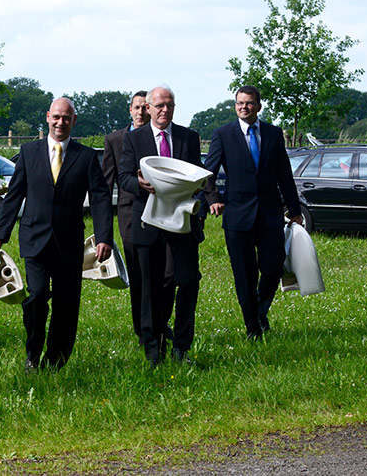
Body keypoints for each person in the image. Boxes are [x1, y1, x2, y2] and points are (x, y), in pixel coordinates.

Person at [0, 97, 113, 371]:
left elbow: (101, 198)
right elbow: (14, 195)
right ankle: (33, 354)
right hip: (34, 239)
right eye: (56, 117)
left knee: (66, 302)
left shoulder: (85, 157)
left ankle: (56, 359)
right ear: (48, 117)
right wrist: (0, 236)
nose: (60, 122)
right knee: (35, 297)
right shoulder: (29, 152)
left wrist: (104, 236)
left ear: (74, 121)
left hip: (69, 242)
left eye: (66, 118)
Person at [118, 85, 219, 366]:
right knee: (151, 288)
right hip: (149, 221)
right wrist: (139, 184)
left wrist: (199, 192)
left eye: (170, 105)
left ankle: (181, 348)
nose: (165, 110)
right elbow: (123, 177)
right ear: (148, 108)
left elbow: (199, 175)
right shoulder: (134, 139)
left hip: (183, 222)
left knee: (188, 281)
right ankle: (154, 350)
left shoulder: (188, 137)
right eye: (160, 105)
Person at [203, 85, 302, 339]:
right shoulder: (223, 135)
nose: (243, 107)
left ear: (258, 106)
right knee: (245, 275)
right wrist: (213, 198)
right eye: (239, 103)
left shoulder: (273, 133)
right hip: (237, 216)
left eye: (248, 103)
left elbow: (284, 175)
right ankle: (252, 326)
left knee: (273, 268)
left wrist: (295, 211)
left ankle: (259, 310)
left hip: (269, 214)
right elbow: (208, 173)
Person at [102, 90, 150, 343]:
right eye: (136, 107)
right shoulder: (115, 140)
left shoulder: (157, 137)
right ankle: (142, 328)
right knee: (137, 271)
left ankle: (157, 320)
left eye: (145, 107)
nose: (141, 112)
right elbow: (106, 183)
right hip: (129, 213)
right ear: (130, 110)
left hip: (160, 211)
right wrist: (103, 228)